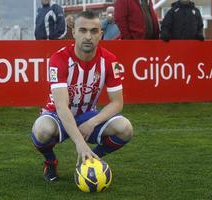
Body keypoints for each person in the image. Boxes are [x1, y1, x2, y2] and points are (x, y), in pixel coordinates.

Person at [31, 10, 134, 182]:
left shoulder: (110, 61)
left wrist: (92, 122)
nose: (88, 36)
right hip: (58, 115)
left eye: (94, 31)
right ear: (74, 32)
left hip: (88, 116)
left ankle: (92, 159)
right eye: (83, 30)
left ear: (101, 34)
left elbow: (117, 103)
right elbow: (62, 106)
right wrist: (80, 143)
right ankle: (50, 161)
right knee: (42, 130)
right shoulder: (58, 59)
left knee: (125, 128)